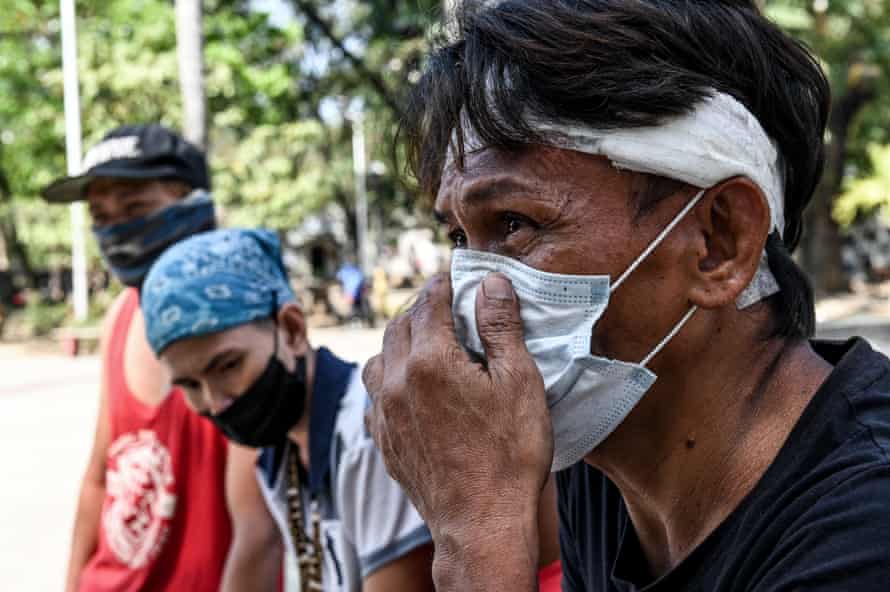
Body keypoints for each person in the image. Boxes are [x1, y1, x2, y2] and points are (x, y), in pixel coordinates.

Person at [362, 1, 890, 591]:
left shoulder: (867, 529)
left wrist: (479, 536)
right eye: (460, 238)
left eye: (513, 223)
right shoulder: (609, 461)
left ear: (720, 241)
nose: (464, 293)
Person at [139, 228, 436, 592]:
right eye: (189, 385)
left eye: (228, 366)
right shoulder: (281, 452)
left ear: (293, 329)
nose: (214, 402)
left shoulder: (372, 433)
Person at [42, 124, 234, 591]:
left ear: (193, 204)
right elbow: (98, 478)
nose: (116, 229)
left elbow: (256, 530)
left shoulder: (238, 323)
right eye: (100, 215)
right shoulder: (121, 317)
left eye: (136, 208)